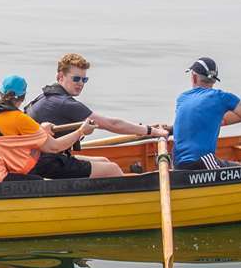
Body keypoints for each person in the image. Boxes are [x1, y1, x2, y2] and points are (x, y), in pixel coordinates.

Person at [24, 52, 169, 178]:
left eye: (84, 79)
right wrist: (152, 131)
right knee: (112, 169)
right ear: (60, 77)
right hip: (46, 163)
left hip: (36, 160)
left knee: (105, 161)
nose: (80, 83)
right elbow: (112, 124)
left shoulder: (43, 97)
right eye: (76, 79)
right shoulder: (64, 103)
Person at [0, 75, 98, 183]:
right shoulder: (19, 118)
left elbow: (11, 138)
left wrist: (41, 131)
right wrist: (81, 132)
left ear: (0, 93)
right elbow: (54, 147)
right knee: (38, 183)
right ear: (23, 97)